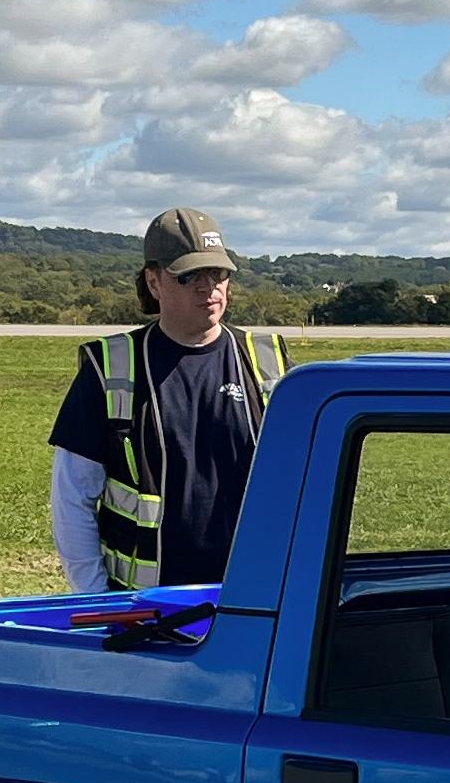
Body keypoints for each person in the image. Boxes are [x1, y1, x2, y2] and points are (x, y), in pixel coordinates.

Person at [48, 208, 290, 591]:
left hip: (255, 598)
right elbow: (72, 498)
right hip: (144, 607)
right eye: (188, 275)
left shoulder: (268, 361)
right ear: (154, 281)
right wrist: (95, 599)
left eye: (219, 273)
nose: (208, 286)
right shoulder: (109, 367)